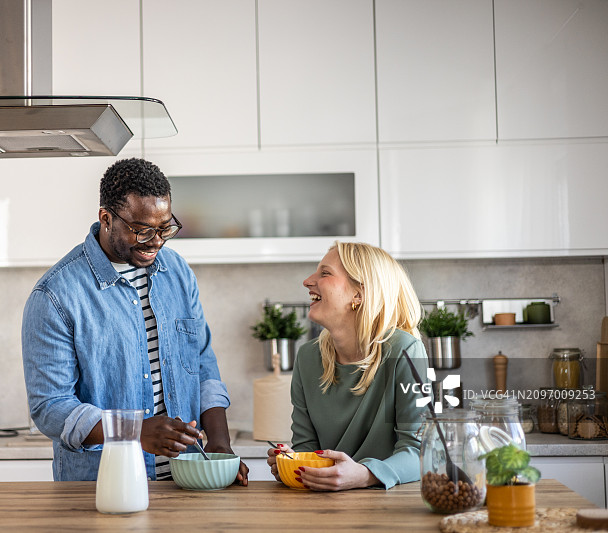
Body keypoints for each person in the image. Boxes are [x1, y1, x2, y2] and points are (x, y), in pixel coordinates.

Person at [22, 157, 247, 484]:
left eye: (165, 227)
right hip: (103, 487)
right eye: (142, 230)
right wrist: (134, 431)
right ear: (106, 218)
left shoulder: (177, 272)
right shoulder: (55, 295)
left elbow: (202, 361)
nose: (156, 241)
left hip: (186, 481)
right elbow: (50, 408)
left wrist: (220, 444)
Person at [267, 241, 429, 491]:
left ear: (359, 294)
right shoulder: (308, 358)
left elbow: (420, 453)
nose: (308, 281)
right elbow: (307, 447)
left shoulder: (406, 351)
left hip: (389, 506)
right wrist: (293, 463)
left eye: (325, 273)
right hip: (323, 509)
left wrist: (365, 475)